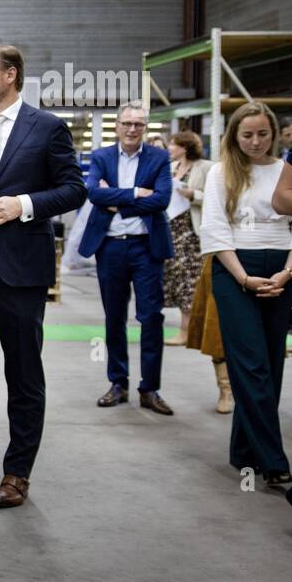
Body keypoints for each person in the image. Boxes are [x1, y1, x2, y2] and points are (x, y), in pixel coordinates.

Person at [0, 44, 86, 507]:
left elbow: (73, 189)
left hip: (21, 272)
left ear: (12, 74)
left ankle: (17, 471)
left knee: (23, 373)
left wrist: (23, 205)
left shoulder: (46, 128)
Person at [200, 101, 292, 487]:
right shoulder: (221, 172)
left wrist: (288, 272)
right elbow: (214, 228)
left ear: (274, 133)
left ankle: (243, 451)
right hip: (234, 270)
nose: (255, 142)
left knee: (271, 364)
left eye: (262, 133)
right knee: (251, 364)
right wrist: (242, 278)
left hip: (283, 271)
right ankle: (274, 460)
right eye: (247, 135)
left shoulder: (289, 172)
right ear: (234, 137)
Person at [78, 103, 174, 414]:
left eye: (139, 124)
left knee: (151, 318)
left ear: (146, 128)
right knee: (114, 317)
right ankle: (118, 383)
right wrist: (135, 194)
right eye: (127, 123)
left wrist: (116, 198)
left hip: (146, 247)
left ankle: (150, 388)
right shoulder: (102, 156)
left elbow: (162, 199)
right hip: (111, 247)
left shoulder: (158, 157)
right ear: (117, 126)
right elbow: (93, 194)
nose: (133, 129)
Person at [163, 131, 213, 347]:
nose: (170, 148)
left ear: (185, 146)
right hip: (172, 230)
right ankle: (189, 330)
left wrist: (193, 194)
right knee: (175, 280)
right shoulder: (171, 168)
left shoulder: (205, 167)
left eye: (173, 144)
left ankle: (187, 331)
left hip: (192, 233)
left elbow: (214, 195)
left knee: (189, 283)